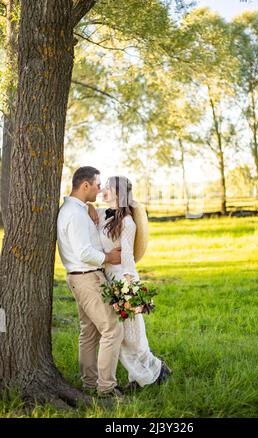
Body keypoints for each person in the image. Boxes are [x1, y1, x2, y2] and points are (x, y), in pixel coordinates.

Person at [88, 176, 172, 392]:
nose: (104, 190)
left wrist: (129, 290)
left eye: (109, 187)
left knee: (132, 336)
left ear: (119, 193)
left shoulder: (127, 222)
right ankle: (142, 376)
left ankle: (155, 372)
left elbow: (128, 258)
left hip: (122, 281)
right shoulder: (103, 215)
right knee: (120, 335)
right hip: (106, 281)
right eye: (104, 186)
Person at [57, 166, 125, 398]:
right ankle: (106, 388)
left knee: (89, 332)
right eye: (97, 185)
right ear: (85, 185)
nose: (99, 189)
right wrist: (109, 258)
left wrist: (88, 205)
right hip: (87, 278)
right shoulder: (74, 214)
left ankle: (89, 383)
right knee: (112, 329)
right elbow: (84, 251)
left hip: (81, 278)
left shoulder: (77, 209)